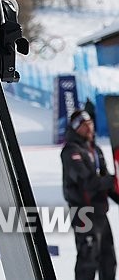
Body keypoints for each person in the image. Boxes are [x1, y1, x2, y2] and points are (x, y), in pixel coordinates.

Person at [62, 108, 119, 280]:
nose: (89, 128)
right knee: (88, 261)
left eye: (90, 124)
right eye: (84, 125)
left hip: (100, 213)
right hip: (83, 213)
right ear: (76, 128)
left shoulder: (95, 150)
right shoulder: (71, 151)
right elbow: (87, 182)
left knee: (108, 262)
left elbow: (106, 184)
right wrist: (113, 179)